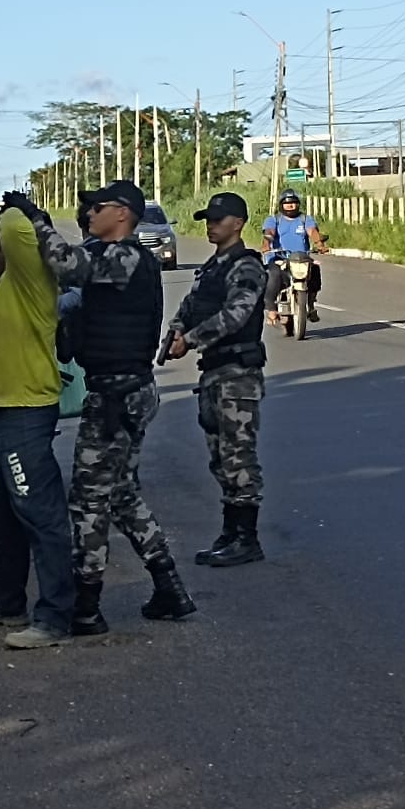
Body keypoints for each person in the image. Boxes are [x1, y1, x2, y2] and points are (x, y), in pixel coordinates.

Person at [5, 182, 195, 635]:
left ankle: (86, 608)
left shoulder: (125, 257)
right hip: (124, 391)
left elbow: (66, 265)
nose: (90, 213)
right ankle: (170, 587)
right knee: (123, 495)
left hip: (115, 397)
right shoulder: (118, 257)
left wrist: (36, 220)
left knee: (88, 501)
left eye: (100, 207)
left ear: (124, 214)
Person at [0, 208, 77, 650]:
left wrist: (13, 211)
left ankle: (55, 615)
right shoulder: (4, 284)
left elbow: (16, 231)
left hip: (25, 409)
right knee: (0, 513)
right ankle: (5, 602)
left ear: (5, 247)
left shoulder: (28, 279)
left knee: (40, 514)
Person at [166, 192, 267, 568]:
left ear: (238, 223)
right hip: (213, 373)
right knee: (220, 458)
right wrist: (176, 330)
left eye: (218, 219)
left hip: (238, 373)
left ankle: (246, 537)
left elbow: (236, 315)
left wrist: (189, 341)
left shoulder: (246, 266)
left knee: (239, 456)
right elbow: (191, 306)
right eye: (208, 219)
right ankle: (229, 533)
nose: (211, 225)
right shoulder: (212, 267)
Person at [262, 188, 327, 324]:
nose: (290, 206)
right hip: (279, 258)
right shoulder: (274, 219)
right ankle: (272, 309)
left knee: (314, 270)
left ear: (298, 204)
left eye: (293, 203)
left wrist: (319, 244)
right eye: (287, 203)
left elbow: (313, 231)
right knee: (272, 275)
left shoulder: (305, 219)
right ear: (281, 205)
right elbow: (269, 232)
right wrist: (266, 243)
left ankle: (310, 305)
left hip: (302, 258)